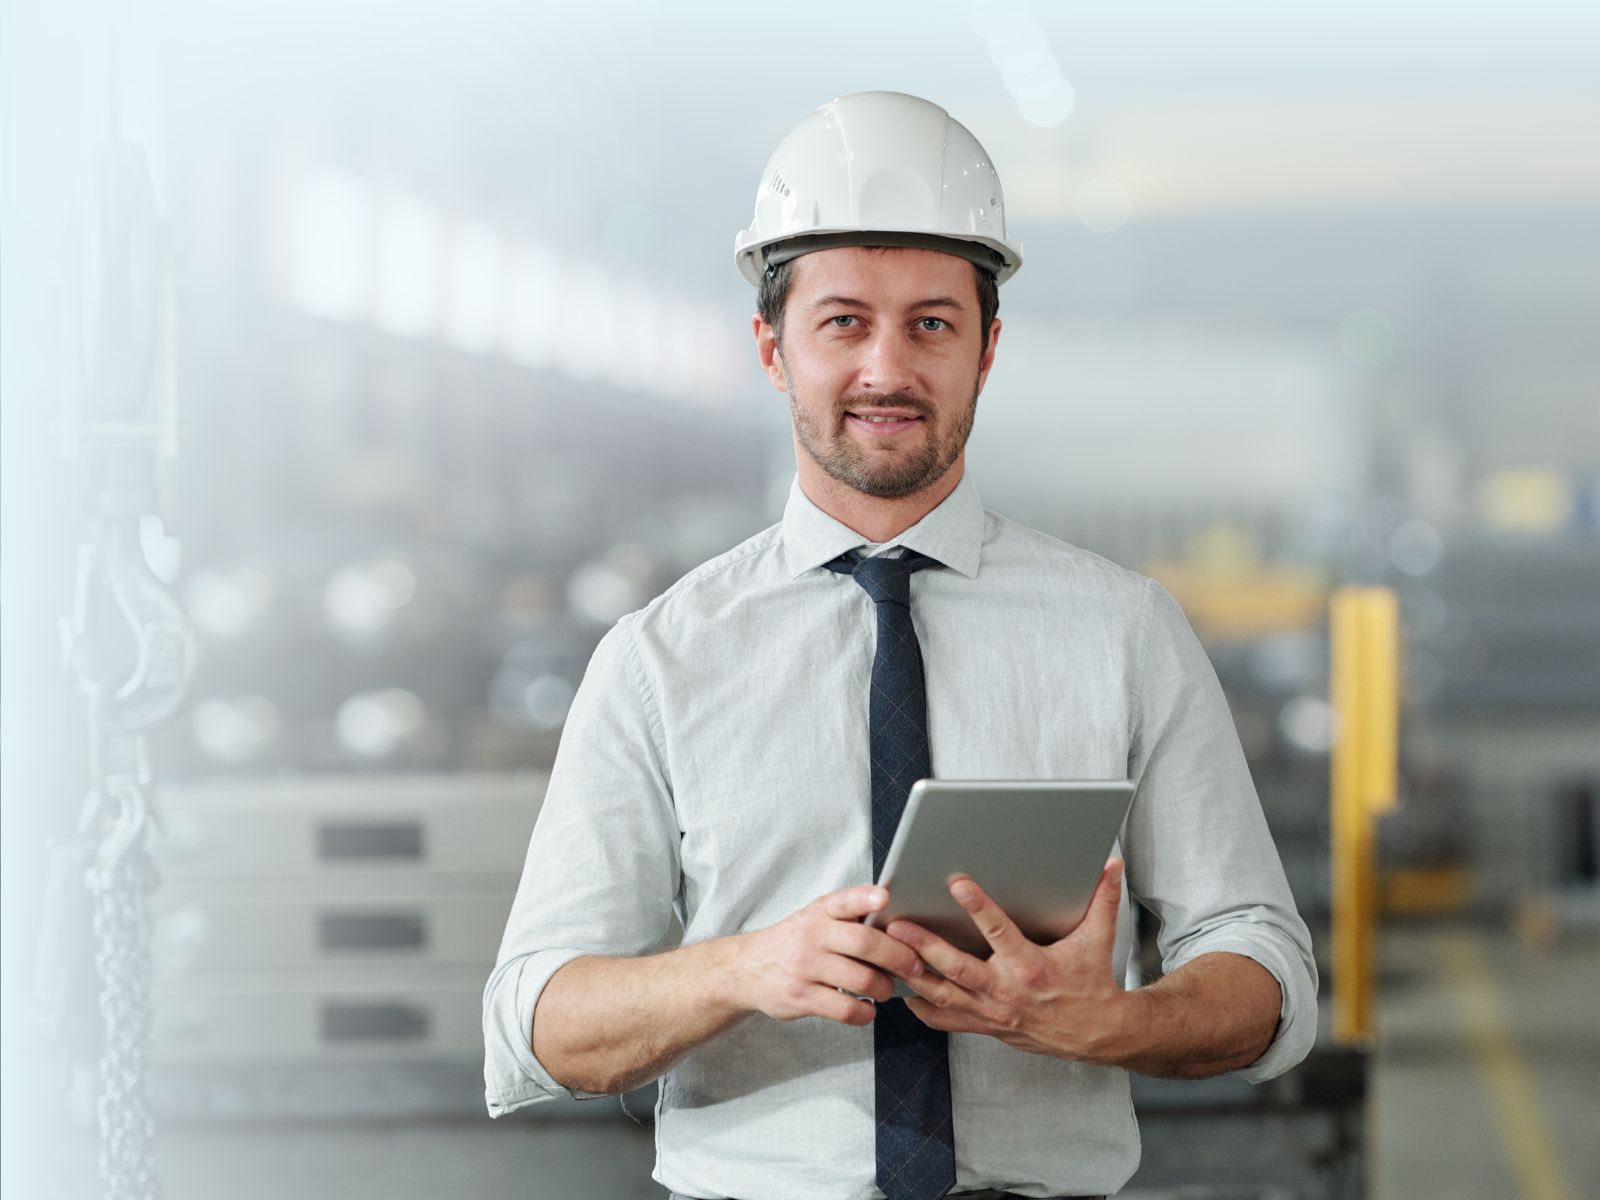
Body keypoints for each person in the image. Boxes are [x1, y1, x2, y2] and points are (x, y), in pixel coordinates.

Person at [483, 91, 1316, 1200]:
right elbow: (537, 1022)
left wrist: (1105, 1020)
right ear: (772, 348)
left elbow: (1264, 966)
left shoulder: (1122, 631)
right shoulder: (660, 659)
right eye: (843, 322)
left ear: (986, 350)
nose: (887, 369)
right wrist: (743, 968)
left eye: (931, 324)